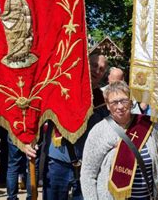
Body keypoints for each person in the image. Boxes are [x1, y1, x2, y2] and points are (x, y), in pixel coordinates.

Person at [24, 54, 109, 200]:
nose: (97, 70)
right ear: (86, 64)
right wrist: (27, 141)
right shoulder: (61, 88)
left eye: (101, 69)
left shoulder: (103, 100)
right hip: (57, 162)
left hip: (87, 166)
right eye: (94, 65)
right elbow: (37, 113)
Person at [80, 81, 158, 199]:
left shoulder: (147, 126)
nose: (120, 106)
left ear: (131, 101)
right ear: (107, 105)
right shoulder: (99, 131)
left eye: (124, 100)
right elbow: (88, 174)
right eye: (114, 102)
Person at [0, 0, 37, 68]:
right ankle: (13, 57)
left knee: (22, 38)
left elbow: (27, 9)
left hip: (21, 20)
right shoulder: (8, 0)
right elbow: (7, 11)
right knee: (11, 37)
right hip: (12, 21)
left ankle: (22, 56)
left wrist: (24, 11)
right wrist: (3, 16)